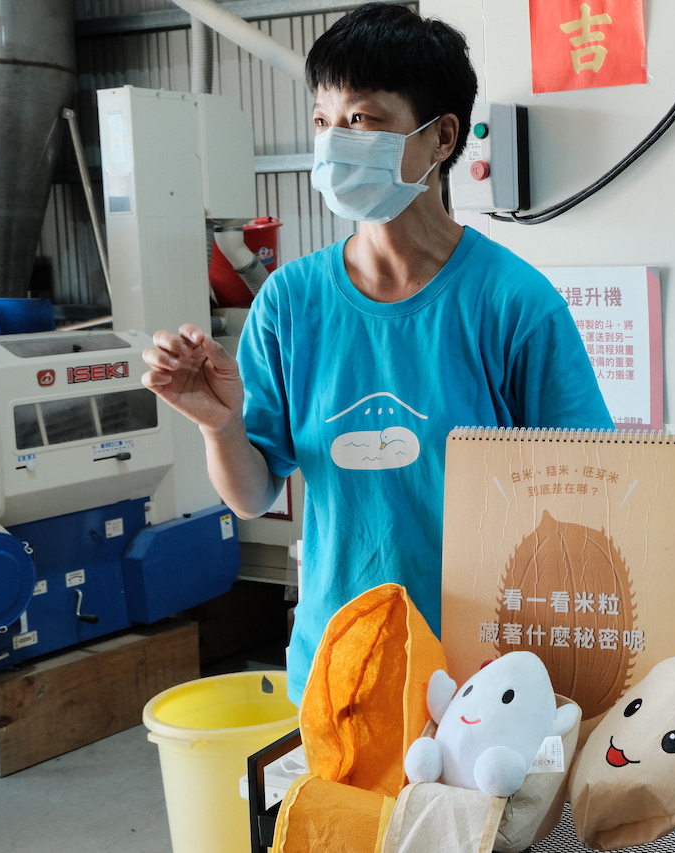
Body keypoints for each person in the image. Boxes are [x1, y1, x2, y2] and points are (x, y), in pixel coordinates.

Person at [141, 3, 612, 703]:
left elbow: (585, 492)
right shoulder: (290, 302)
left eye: (361, 118)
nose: (334, 142)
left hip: (481, 683)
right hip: (339, 671)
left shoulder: (513, 303)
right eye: (322, 120)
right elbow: (253, 495)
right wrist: (220, 424)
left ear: (441, 137)